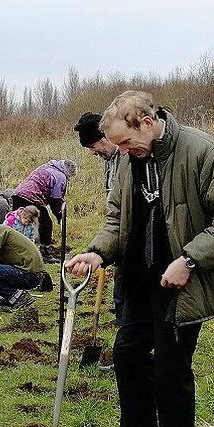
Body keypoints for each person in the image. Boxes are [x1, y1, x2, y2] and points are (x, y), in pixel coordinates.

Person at [65, 90, 214, 427]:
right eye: (116, 145)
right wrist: (96, 252)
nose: (121, 151)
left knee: (171, 374)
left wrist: (189, 259)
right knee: (129, 358)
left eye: (126, 142)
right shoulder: (128, 161)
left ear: (148, 123)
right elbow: (117, 219)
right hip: (138, 282)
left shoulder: (203, 154)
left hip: (183, 286)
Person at [75, 111, 124, 371]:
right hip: (116, 236)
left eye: (96, 146)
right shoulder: (110, 160)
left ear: (106, 137)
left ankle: (129, 351)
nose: (96, 152)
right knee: (120, 296)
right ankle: (124, 347)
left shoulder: (128, 157)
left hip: (130, 238)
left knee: (126, 296)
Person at [13, 159, 78, 262]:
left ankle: (16, 251)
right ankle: (45, 253)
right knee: (46, 223)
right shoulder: (61, 176)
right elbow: (55, 200)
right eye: (71, 177)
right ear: (69, 172)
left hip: (18, 194)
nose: (69, 179)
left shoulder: (48, 167)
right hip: (32, 196)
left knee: (18, 224)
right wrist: (59, 216)